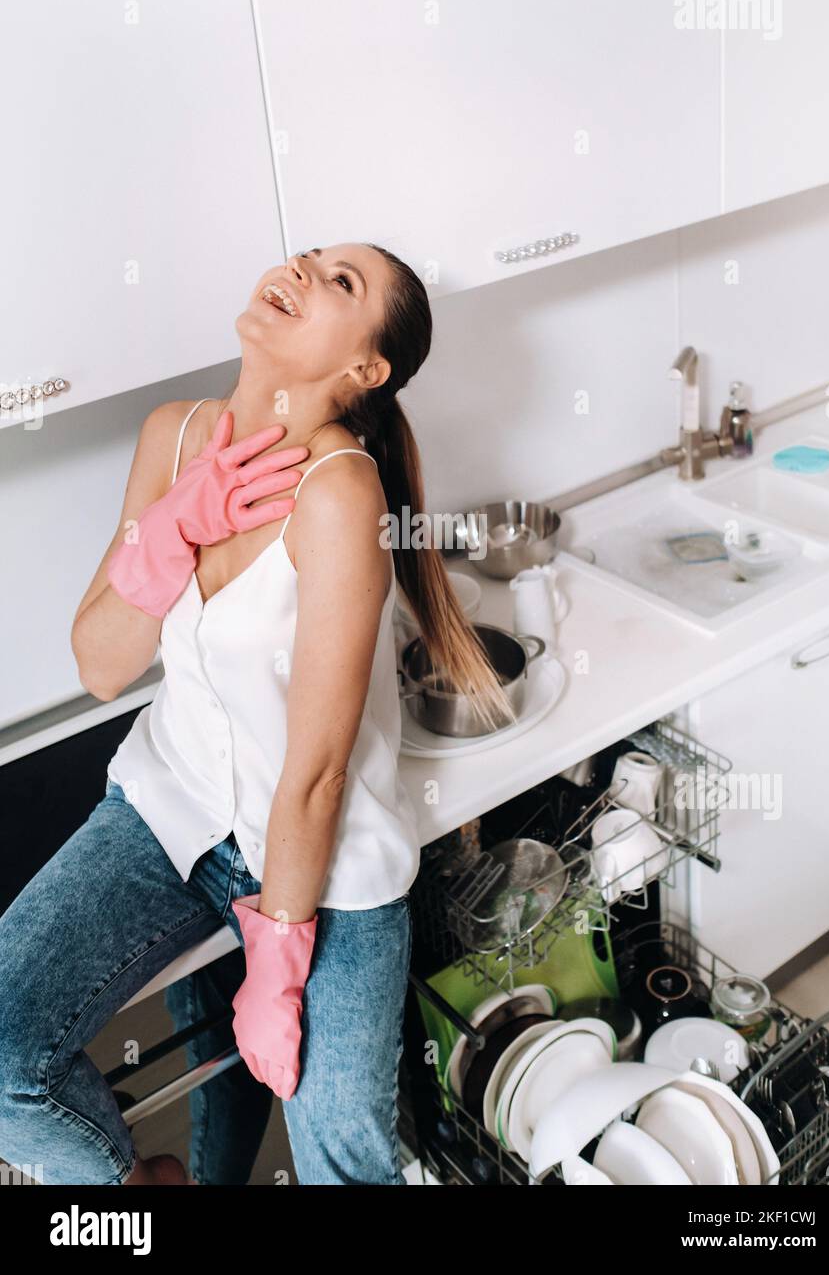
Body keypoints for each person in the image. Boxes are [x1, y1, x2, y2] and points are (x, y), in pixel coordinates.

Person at [0, 244, 509, 1185]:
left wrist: (276, 961)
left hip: (321, 859)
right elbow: (102, 666)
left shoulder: (342, 493)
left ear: (365, 369)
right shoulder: (173, 438)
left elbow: (316, 774)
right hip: (172, 804)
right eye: (313, 254)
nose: (305, 267)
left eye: (342, 282)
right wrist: (168, 531)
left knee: (342, 1162)